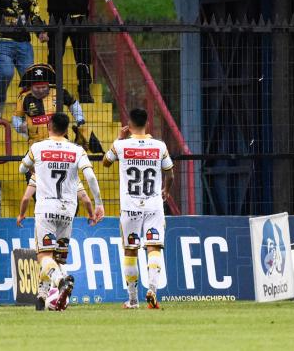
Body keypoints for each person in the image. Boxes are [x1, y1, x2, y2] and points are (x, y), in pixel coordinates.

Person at [16, 113, 105, 311]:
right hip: (67, 211)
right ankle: (42, 295)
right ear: (66, 130)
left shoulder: (37, 147)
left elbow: (22, 169)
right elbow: (89, 176)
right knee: (57, 258)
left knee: (44, 256)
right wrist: (98, 203)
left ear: (49, 126)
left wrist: (35, 169)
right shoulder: (77, 150)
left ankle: (60, 280)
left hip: (46, 208)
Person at [103, 108, 174, 309]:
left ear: (129, 124)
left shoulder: (121, 145)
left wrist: (118, 139)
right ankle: (152, 290)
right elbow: (171, 175)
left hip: (130, 207)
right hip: (153, 205)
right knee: (154, 249)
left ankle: (133, 300)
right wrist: (165, 191)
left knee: (130, 250)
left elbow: (106, 162)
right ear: (147, 124)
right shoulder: (159, 146)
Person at [12, 63, 87, 147]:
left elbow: (73, 104)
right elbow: (16, 117)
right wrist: (19, 127)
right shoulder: (24, 97)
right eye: (37, 88)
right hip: (36, 143)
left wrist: (80, 119)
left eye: (43, 87)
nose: (40, 90)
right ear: (31, 86)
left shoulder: (59, 92)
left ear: (48, 85)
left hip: (60, 141)